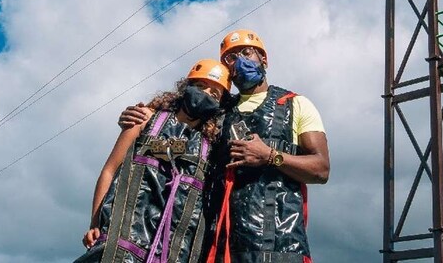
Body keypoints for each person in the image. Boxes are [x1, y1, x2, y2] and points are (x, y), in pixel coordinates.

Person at [119, 29, 330, 263]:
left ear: (264, 59)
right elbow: (177, 125)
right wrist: (142, 117)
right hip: (220, 249)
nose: (240, 60)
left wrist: (270, 156)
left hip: (281, 246)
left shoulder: (295, 104)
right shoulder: (217, 112)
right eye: (231, 58)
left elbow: (321, 169)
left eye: (247, 53)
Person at [76, 59, 232, 263]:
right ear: (187, 86)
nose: (205, 95)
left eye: (214, 94)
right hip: (120, 249)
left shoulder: (210, 149)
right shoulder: (145, 119)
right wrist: (95, 224)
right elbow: (110, 170)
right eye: (201, 86)